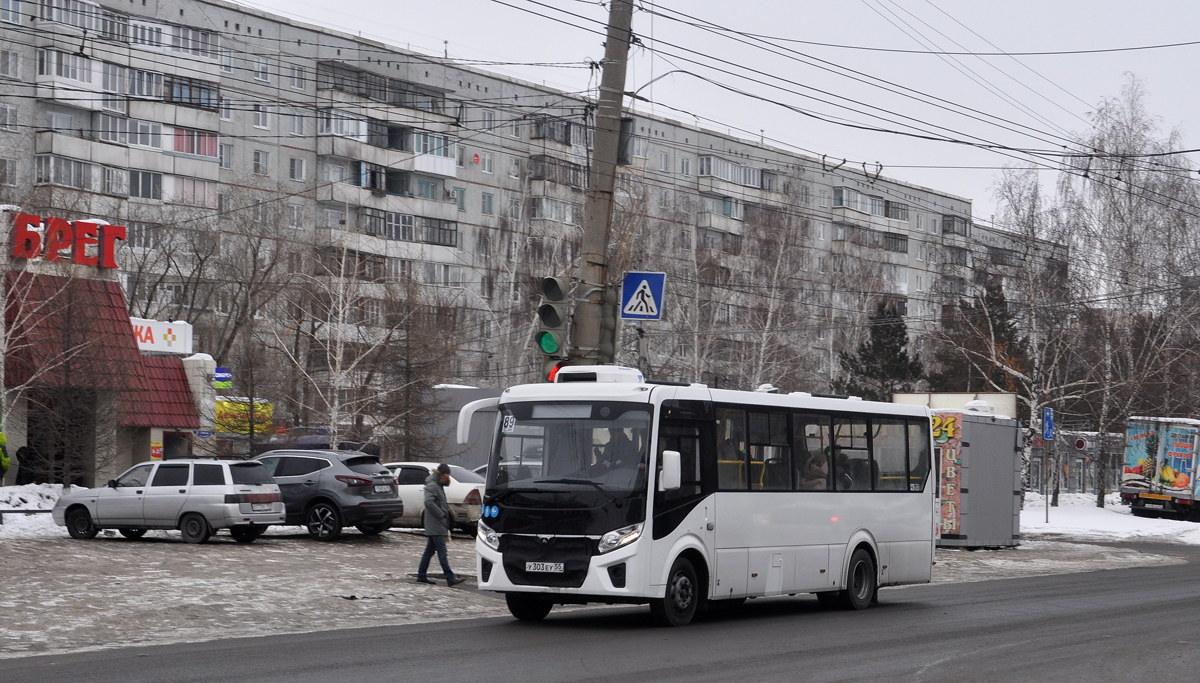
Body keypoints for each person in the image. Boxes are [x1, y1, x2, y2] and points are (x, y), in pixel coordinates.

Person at [416, 464, 465, 587]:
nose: (448, 477)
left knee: (429, 551)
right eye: (446, 474)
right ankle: (450, 577)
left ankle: (421, 575)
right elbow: (428, 502)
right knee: (442, 551)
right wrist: (441, 514)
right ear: (440, 474)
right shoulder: (433, 485)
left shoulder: (438, 485)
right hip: (436, 524)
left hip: (437, 524)